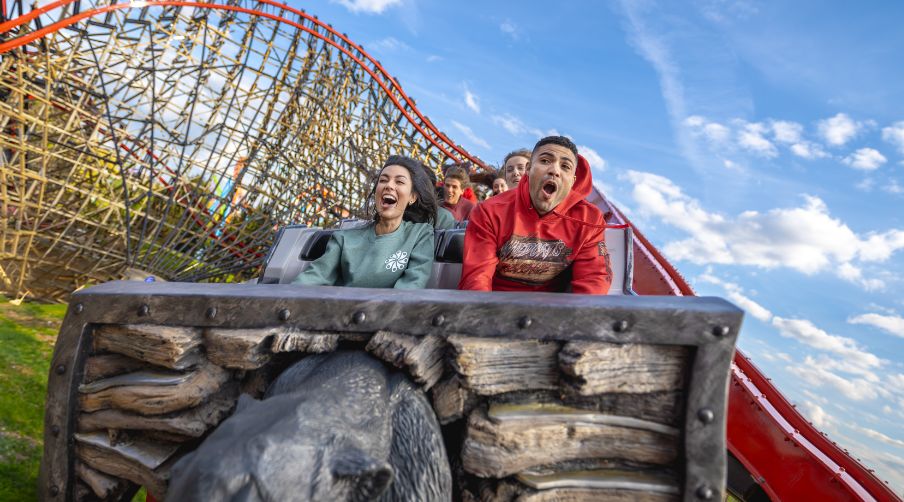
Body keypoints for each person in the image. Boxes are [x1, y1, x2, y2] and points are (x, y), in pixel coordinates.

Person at [458, 136, 611, 294]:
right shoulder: (489, 210)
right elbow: (477, 279)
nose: (554, 171)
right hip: (495, 307)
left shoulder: (589, 220)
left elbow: (593, 281)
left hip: (553, 312)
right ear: (529, 169)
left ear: (572, 181)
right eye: (545, 161)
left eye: (565, 166)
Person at [294, 155, 436, 288]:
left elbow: (411, 286)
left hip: (389, 313)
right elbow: (313, 277)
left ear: (412, 197)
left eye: (399, 182)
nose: (389, 186)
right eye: (383, 180)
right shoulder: (343, 238)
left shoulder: (420, 234)